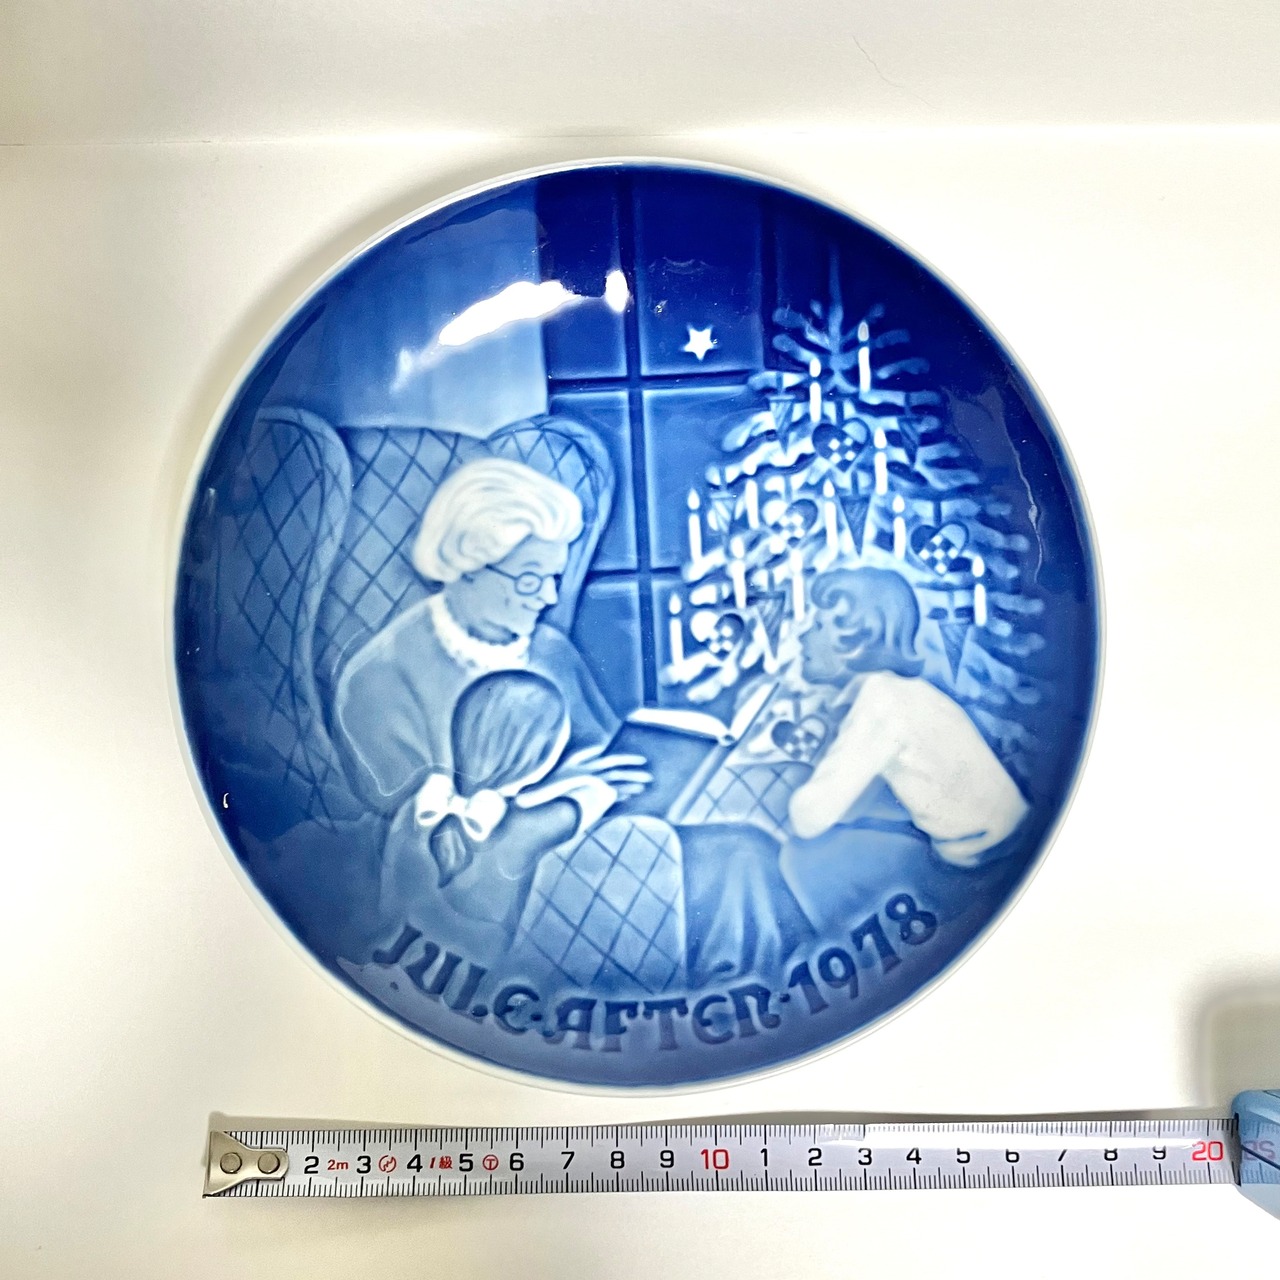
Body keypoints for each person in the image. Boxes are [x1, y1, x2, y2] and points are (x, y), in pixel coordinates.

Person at [331, 457, 648, 951]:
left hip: (590, 867)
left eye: (555, 578)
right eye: (530, 579)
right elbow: (430, 836)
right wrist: (563, 801)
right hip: (464, 916)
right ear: (469, 566)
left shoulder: (552, 653)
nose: (548, 597)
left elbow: (601, 755)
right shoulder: (380, 677)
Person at [787, 568, 1028, 866]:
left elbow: (810, 817)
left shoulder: (883, 699)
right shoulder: (903, 692)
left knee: (798, 859)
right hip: (990, 846)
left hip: (979, 859)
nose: (802, 636)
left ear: (859, 638)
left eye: (818, 625)